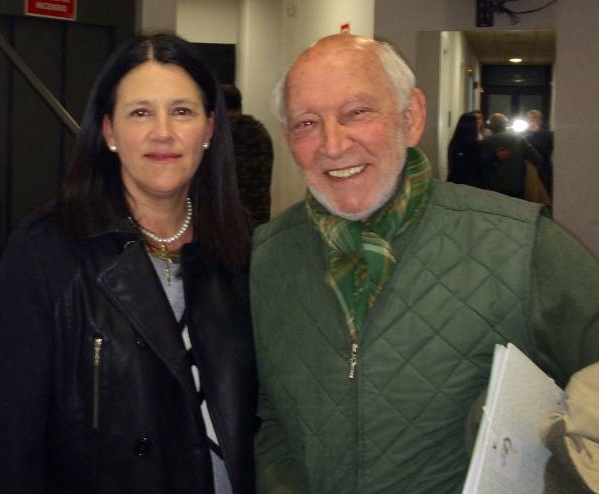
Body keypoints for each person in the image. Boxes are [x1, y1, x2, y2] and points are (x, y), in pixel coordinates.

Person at [250, 33, 599, 494]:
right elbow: (271, 416)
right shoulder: (267, 255)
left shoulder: (523, 244)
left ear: (411, 117)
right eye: (307, 123)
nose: (332, 144)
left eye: (357, 113)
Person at [0, 33, 256, 494]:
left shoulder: (244, 250)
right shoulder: (45, 251)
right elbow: (3, 446)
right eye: (140, 113)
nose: (163, 132)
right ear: (109, 132)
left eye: (182, 111)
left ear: (209, 129)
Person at [221, 83, 274, 229]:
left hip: (228, 217)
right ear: (240, 105)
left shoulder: (223, 136)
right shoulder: (259, 131)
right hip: (259, 214)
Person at [480, 112, 542, 199]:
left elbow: (481, 164)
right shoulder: (519, 138)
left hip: (493, 187)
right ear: (506, 124)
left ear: (490, 126)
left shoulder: (485, 142)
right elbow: (536, 158)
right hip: (516, 186)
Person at [447, 112, 483, 187]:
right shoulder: (474, 144)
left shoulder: (455, 141)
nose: (479, 125)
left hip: (454, 181)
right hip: (470, 184)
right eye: (476, 123)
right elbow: (479, 165)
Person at [525, 109, 554, 198]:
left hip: (543, 168)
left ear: (540, 121)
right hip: (528, 168)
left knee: (544, 194)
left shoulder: (548, 134)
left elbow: (545, 149)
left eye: (535, 118)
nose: (532, 121)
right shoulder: (524, 134)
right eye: (530, 119)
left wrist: (536, 133)